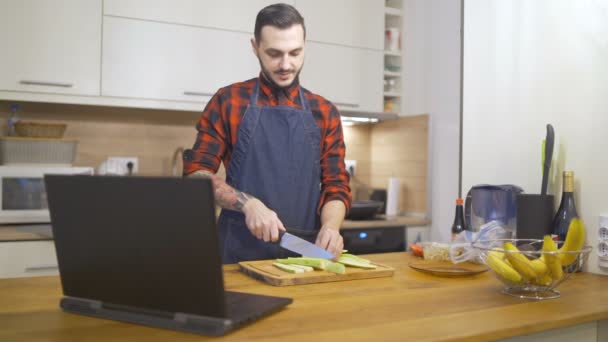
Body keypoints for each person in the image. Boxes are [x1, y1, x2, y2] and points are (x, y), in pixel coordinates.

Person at [183, 3, 351, 264]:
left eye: (295, 52)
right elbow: (197, 174)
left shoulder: (325, 111)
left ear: (305, 45)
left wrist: (331, 227)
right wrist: (248, 203)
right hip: (239, 252)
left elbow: (336, 185)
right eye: (274, 53)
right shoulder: (228, 101)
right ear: (255, 47)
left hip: (304, 253)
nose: (286, 64)